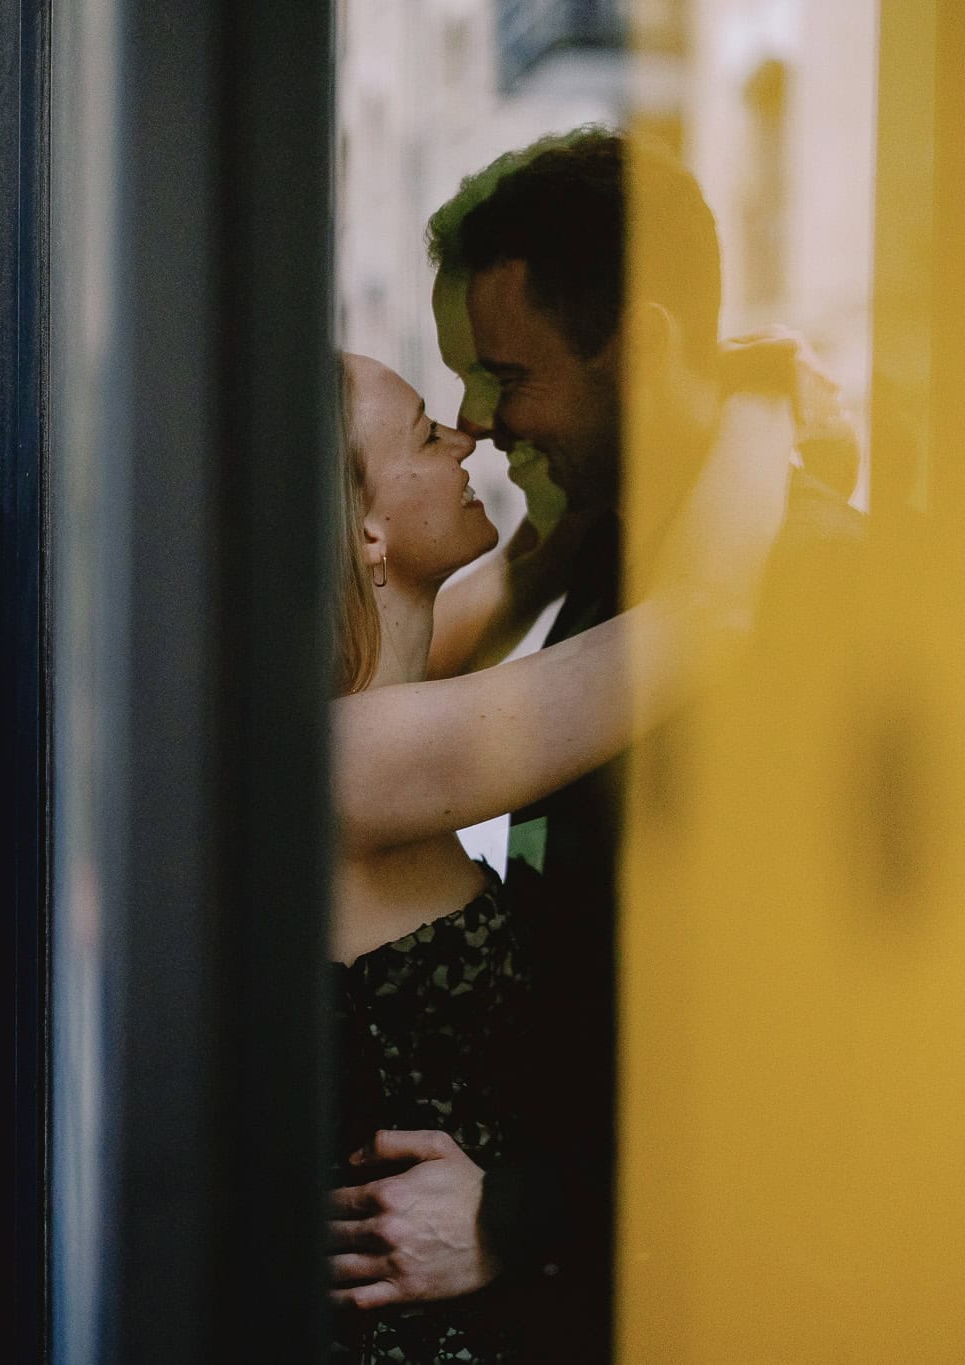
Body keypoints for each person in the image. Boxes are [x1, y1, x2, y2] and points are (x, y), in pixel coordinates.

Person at [328, 129, 863, 1359]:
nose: (472, 421)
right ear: (357, 532)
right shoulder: (585, 607)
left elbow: (816, 1046)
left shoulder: (805, 582)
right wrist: (761, 410)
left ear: (642, 351)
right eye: (438, 409)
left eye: (500, 373)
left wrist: (526, 1213)